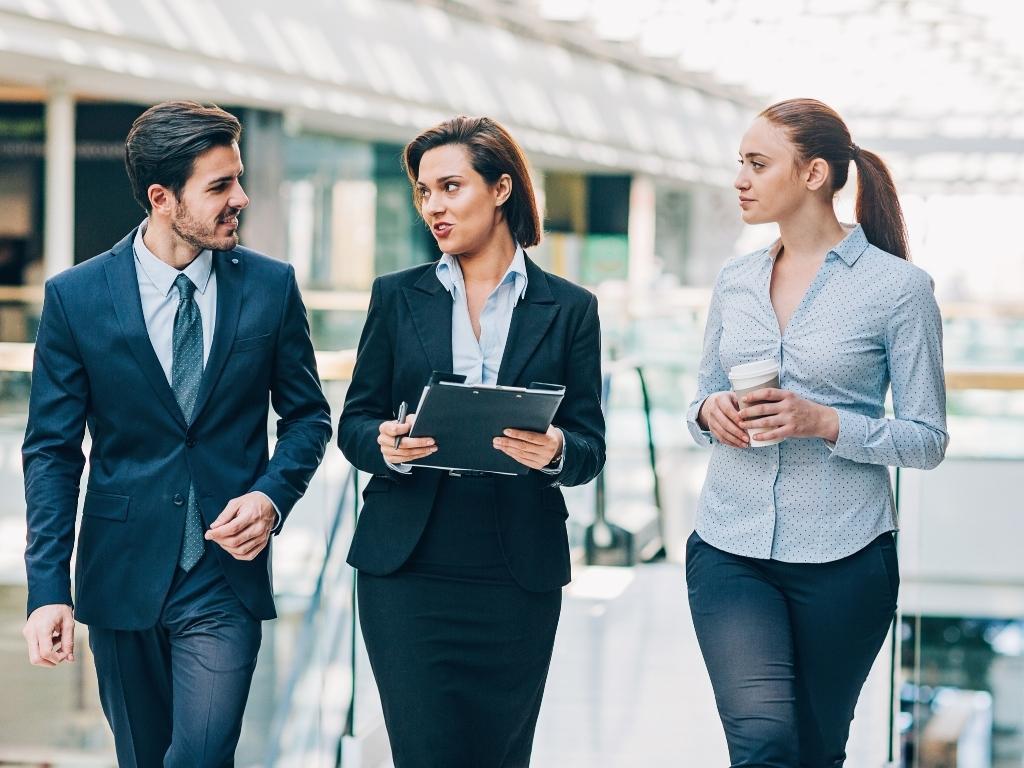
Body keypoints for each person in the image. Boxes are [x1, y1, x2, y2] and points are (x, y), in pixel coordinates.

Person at [22, 101, 332, 767]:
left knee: (201, 754)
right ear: (163, 198)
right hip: (120, 573)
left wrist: (272, 496)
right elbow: (51, 452)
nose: (240, 199)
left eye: (237, 179)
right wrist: (48, 588)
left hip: (224, 575)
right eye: (220, 186)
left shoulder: (270, 289)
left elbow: (308, 417)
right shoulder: (77, 298)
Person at [685, 98, 948, 767]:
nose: (739, 179)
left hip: (845, 558)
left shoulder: (900, 289)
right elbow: (699, 400)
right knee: (763, 741)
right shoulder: (734, 281)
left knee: (816, 749)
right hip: (730, 547)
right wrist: (709, 412)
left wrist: (827, 423)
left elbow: (926, 437)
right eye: (739, 163)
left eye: (757, 163)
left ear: (814, 174)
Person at [338, 115, 605, 767]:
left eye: (451, 187)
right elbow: (353, 422)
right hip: (408, 564)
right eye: (424, 192)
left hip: (515, 567)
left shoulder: (570, 308)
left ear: (502, 188)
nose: (434, 206)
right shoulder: (397, 297)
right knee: (424, 751)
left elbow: (590, 444)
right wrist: (386, 442)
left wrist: (557, 452)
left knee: (499, 755)